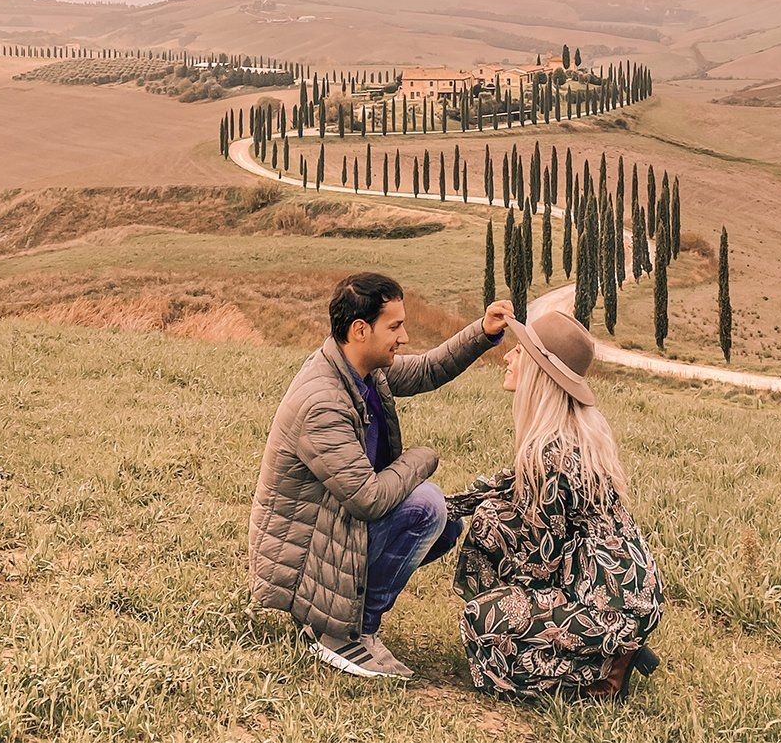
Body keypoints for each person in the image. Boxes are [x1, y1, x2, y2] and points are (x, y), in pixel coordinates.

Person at [249, 270, 513, 679]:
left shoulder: (365, 371)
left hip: (335, 532)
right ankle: (344, 634)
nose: (404, 337)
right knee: (426, 507)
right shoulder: (322, 400)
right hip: (305, 560)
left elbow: (428, 369)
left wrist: (483, 330)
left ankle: (343, 617)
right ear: (359, 330)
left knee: (445, 521)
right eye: (395, 326)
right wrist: (423, 458)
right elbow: (367, 499)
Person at [446, 310, 664, 701]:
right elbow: (496, 489)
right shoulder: (567, 434)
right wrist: (420, 504)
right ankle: (605, 647)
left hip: (606, 603)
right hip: (625, 592)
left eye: (520, 351)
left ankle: (603, 673)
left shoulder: (549, 453)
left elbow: (539, 565)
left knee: (482, 624)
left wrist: (504, 599)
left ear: (537, 372)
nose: (508, 356)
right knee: (490, 519)